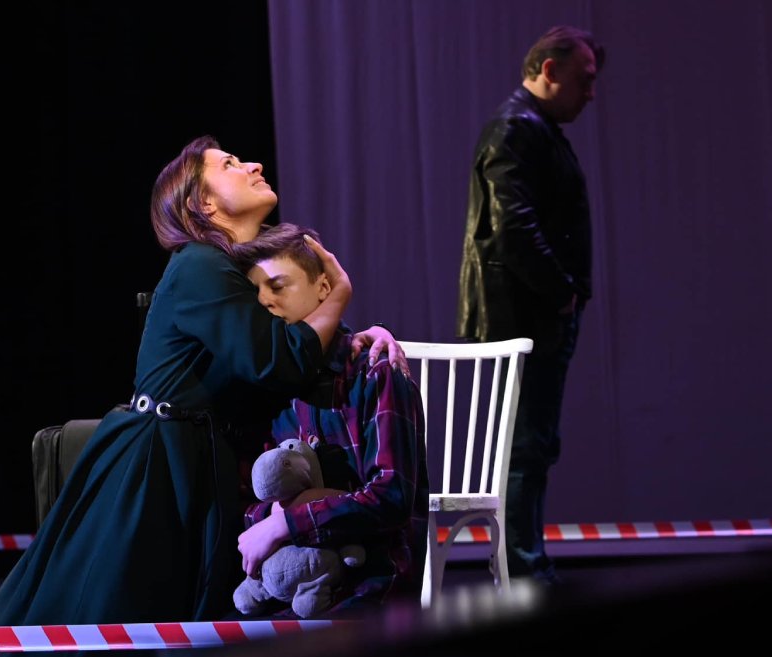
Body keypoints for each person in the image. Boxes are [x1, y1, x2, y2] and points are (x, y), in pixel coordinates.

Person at [0, 136, 400, 657]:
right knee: (118, 608)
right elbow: (277, 360)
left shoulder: (229, 271)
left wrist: (360, 336)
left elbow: (287, 350)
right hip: (154, 458)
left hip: (191, 452)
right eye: (230, 164)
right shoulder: (199, 263)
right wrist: (339, 294)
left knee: (168, 617)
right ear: (204, 204)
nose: (253, 164)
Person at [456, 26, 604, 584]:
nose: (590, 93)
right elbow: (512, 226)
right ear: (549, 70)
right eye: (584, 80)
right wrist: (561, 291)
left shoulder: (530, 127)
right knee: (524, 447)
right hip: (522, 319)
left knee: (532, 445)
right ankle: (522, 569)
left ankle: (524, 564)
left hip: (532, 316)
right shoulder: (516, 127)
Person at [234, 224, 427, 617]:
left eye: (278, 286)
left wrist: (286, 523)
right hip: (293, 584)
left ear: (324, 288)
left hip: (369, 581)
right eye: (256, 293)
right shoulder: (273, 385)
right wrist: (270, 518)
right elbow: (253, 496)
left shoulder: (375, 372)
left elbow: (392, 497)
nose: (265, 301)